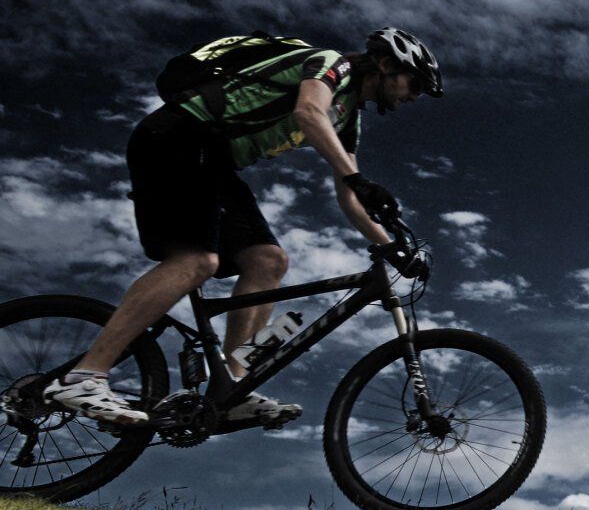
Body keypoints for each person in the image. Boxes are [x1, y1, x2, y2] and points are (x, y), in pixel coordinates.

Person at [45, 28, 441, 428]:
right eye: (415, 83)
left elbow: (349, 195)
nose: (415, 95)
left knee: (268, 261)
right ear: (387, 64)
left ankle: (232, 387)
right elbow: (308, 112)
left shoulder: (349, 118)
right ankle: (83, 376)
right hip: (177, 136)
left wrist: (391, 248)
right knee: (197, 260)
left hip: (212, 161)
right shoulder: (331, 64)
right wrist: (357, 180)